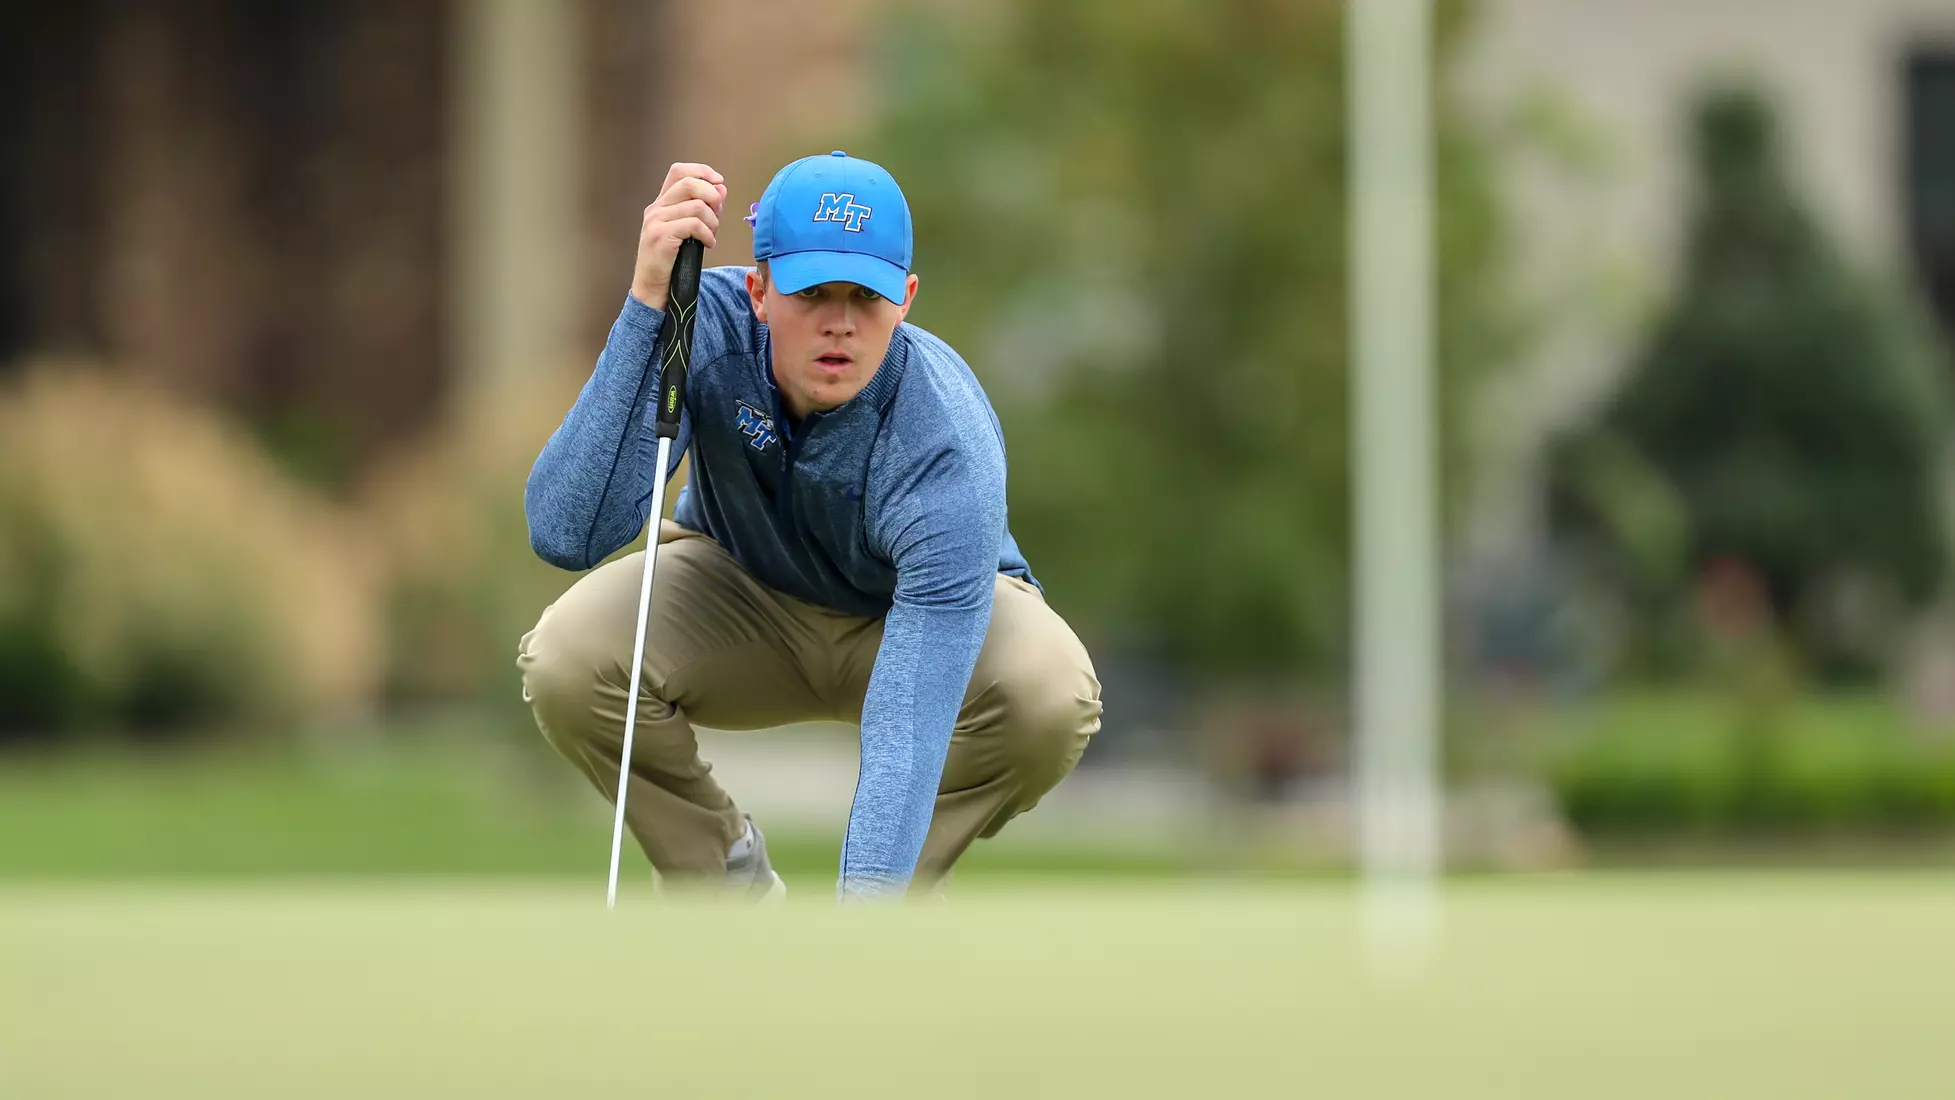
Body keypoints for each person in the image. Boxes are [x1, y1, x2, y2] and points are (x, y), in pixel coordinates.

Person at [516, 153, 1102, 901]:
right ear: (758, 289)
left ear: (906, 300)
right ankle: (723, 874)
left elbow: (907, 730)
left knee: (1049, 695)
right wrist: (646, 307)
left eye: (866, 296)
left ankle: (880, 911)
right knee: (567, 659)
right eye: (812, 291)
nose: (839, 323)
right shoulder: (703, 331)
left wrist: (855, 927)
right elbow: (567, 533)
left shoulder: (944, 440)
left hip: (913, 623)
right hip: (738, 598)